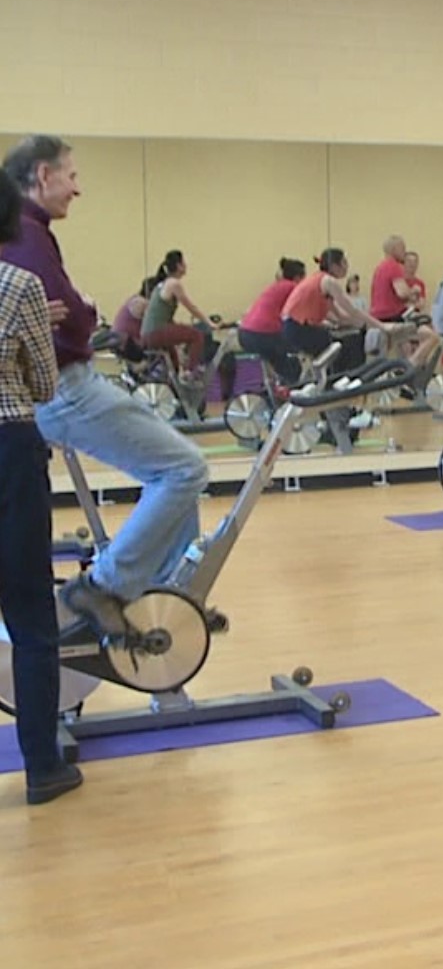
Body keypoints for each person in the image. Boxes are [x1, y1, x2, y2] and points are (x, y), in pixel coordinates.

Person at [0, 134, 210, 643]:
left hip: (66, 383)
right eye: (71, 176)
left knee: (175, 469)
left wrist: (78, 310)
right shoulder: (26, 233)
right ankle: (107, 586)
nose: (78, 188)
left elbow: (64, 313)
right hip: (65, 389)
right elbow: (68, 321)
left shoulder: (32, 231)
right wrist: (84, 309)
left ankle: (166, 597)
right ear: (43, 176)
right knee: (185, 469)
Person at [0, 171, 80, 805]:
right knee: (29, 613)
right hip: (9, 447)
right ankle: (43, 768)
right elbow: (46, 387)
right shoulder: (20, 284)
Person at [281, 247, 415, 451]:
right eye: (345, 263)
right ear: (335, 265)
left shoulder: (321, 282)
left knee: (343, 342)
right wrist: (382, 326)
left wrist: (362, 326)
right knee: (345, 348)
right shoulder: (329, 281)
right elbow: (352, 310)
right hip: (298, 329)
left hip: (294, 328)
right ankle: (345, 395)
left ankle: (337, 400)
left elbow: (342, 317)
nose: (347, 267)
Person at [140, 249, 216, 376]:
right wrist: (208, 323)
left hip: (149, 332)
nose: (186, 265)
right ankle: (190, 373)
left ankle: (177, 386)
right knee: (196, 336)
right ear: (179, 265)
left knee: (174, 363)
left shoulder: (162, 284)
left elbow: (161, 314)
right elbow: (191, 307)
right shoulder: (174, 284)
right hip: (156, 332)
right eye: (184, 262)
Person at [237, 258, 307, 389]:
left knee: (281, 359)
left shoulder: (276, 286)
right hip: (261, 335)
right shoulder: (293, 287)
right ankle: (293, 392)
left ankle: (280, 388)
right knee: (294, 358)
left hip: (245, 333)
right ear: (298, 277)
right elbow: (304, 312)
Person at [368, 235, 416, 323]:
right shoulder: (394, 266)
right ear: (394, 249)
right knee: (426, 332)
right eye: (402, 249)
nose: (404, 252)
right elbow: (402, 293)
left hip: (377, 316)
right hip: (391, 316)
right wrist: (414, 291)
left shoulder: (380, 267)